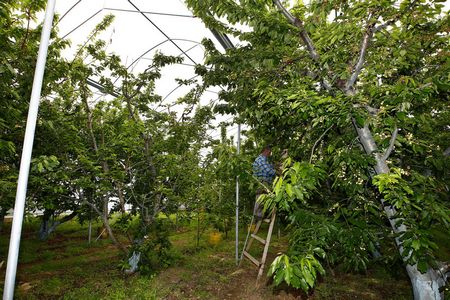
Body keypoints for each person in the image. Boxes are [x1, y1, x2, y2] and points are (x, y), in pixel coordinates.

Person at [252, 145, 276, 219]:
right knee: (260, 197)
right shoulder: (261, 159)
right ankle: (258, 214)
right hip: (261, 182)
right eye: (269, 152)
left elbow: (270, 166)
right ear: (266, 150)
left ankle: (260, 214)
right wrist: (278, 173)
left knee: (263, 198)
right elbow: (268, 171)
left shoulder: (265, 160)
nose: (270, 153)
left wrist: (275, 166)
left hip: (264, 182)